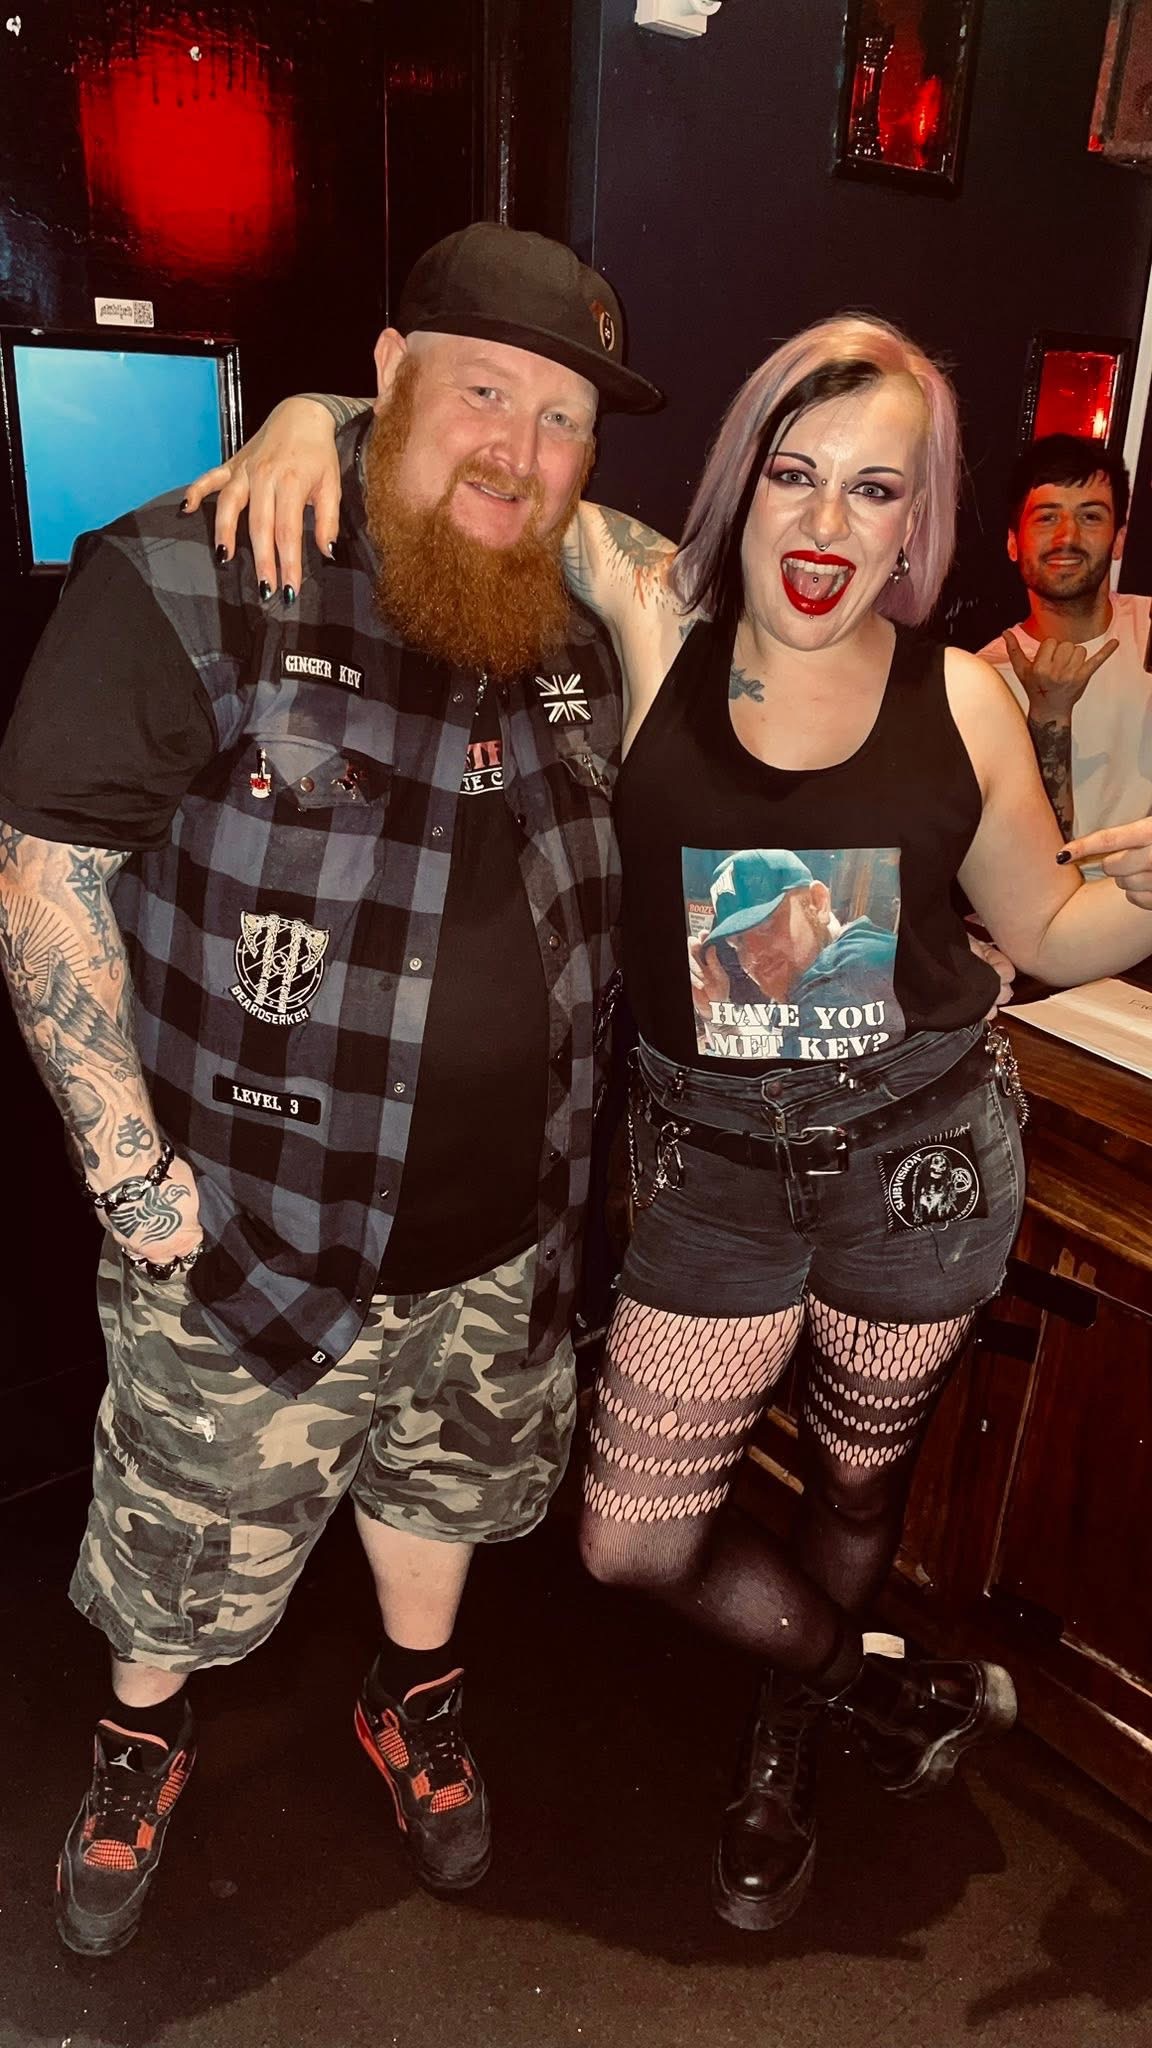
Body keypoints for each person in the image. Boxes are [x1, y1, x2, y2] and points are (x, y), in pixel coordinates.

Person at [186, 318, 1152, 1937]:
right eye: (794, 474)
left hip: (914, 1164)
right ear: (741, 481)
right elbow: (491, 448)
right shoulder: (654, 619)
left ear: (917, 519)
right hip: (714, 1174)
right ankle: (856, 1678)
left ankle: (786, 1736)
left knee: (857, 1485)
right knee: (631, 1539)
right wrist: (304, 412)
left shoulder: (963, 702)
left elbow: (1048, 928)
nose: (826, 524)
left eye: (874, 490)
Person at [0, 222, 663, 1957]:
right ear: (388, 374)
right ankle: (140, 1739)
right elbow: (48, 871)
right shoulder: (202, 570)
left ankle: (410, 1698)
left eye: (567, 418)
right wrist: (133, 1180)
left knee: (444, 1500)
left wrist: (343, 420)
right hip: (255, 1240)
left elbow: (717, 569)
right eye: (483, 391)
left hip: (504, 1247)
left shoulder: (585, 614)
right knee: (175, 1549)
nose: (521, 446)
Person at [979, 434, 1152, 858]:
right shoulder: (982, 682)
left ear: (1119, 540)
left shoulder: (1149, 626)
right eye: (1046, 517)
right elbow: (1027, 861)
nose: (1067, 536)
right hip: (1056, 895)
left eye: (1090, 516)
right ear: (1013, 542)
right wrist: (1048, 715)